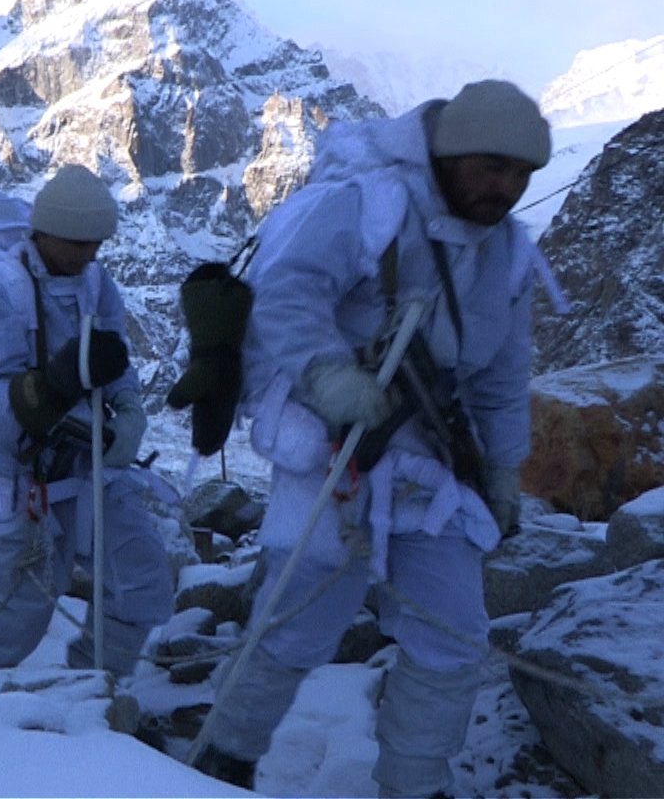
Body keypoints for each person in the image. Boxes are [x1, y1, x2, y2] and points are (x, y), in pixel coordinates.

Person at [192, 80, 548, 797]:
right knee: (297, 621)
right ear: (451, 154)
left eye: (521, 173)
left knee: (453, 636)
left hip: (432, 465)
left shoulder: (507, 252)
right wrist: (327, 375)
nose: (506, 188)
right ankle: (223, 759)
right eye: (492, 167)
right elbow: (285, 292)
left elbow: (502, 375)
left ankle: (415, 783)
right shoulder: (369, 205)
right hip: (334, 446)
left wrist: (505, 469)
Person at [0, 164, 173, 674]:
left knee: (140, 581)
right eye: (77, 242)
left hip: (89, 470)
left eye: (96, 244)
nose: (87, 254)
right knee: (9, 620)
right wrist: (50, 389)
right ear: (45, 231)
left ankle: (95, 692)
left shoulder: (95, 283)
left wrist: (128, 411)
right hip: (19, 480)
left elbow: (114, 361)